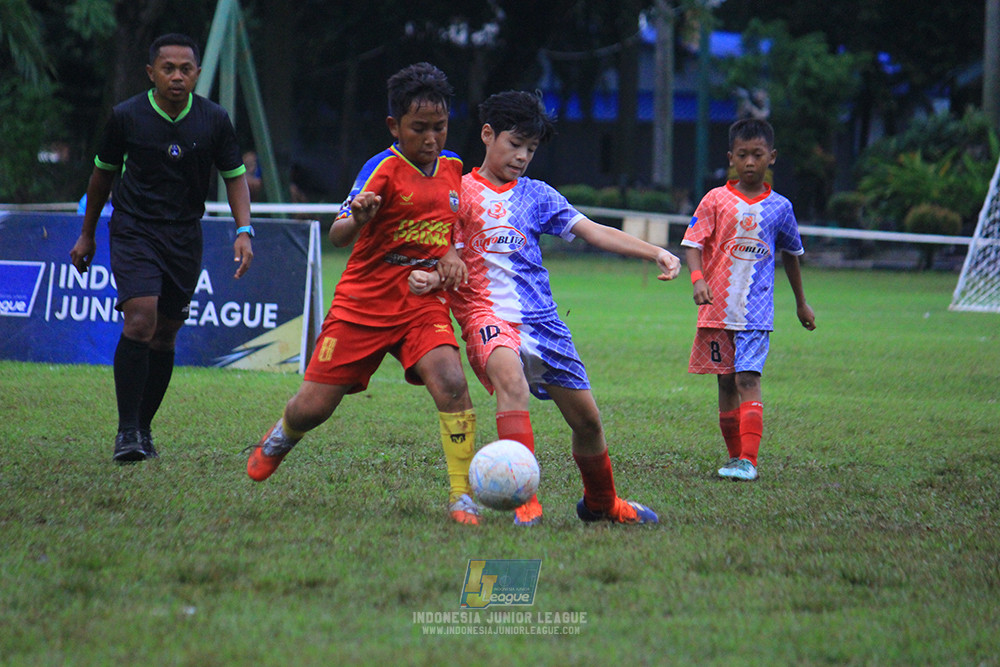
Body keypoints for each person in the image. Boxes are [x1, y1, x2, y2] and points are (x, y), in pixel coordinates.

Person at [409, 90, 681, 526]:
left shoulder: (537, 196)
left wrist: (656, 252)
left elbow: (591, 231)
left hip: (543, 322)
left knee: (588, 422)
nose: (521, 157)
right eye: (514, 144)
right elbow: (437, 253)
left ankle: (602, 504)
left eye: (530, 150)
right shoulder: (456, 192)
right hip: (486, 317)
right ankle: (524, 502)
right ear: (487, 135)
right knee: (510, 382)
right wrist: (427, 276)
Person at [245, 63, 480, 525]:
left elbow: (455, 230)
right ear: (395, 126)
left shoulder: (454, 169)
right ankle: (280, 437)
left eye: (440, 127)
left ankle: (462, 495)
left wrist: (452, 254)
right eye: (419, 129)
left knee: (452, 383)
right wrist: (360, 217)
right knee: (313, 408)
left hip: (421, 300)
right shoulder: (382, 169)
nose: (431, 138)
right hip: (364, 302)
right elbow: (337, 235)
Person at [69, 33, 254, 463]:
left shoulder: (214, 120)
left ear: (197, 74)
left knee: (166, 334)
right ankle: (126, 431)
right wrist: (87, 232)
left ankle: (144, 427)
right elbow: (101, 177)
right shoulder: (126, 117)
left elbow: (234, 176)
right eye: (167, 69)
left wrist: (245, 230)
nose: (176, 76)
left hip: (184, 234)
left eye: (185, 69)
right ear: (151, 73)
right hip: (134, 229)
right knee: (140, 320)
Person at [681, 118, 815, 482]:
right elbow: (692, 244)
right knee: (725, 384)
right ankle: (735, 457)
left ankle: (749, 461)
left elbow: (791, 254)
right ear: (731, 157)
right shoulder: (715, 200)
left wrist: (801, 303)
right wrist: (697, 280)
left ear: (772, 157)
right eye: (743, 155)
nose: (750, 162)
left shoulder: (780, 208)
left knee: (747, 380)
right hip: (716, 311)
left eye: (758, 154)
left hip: (756, 312)